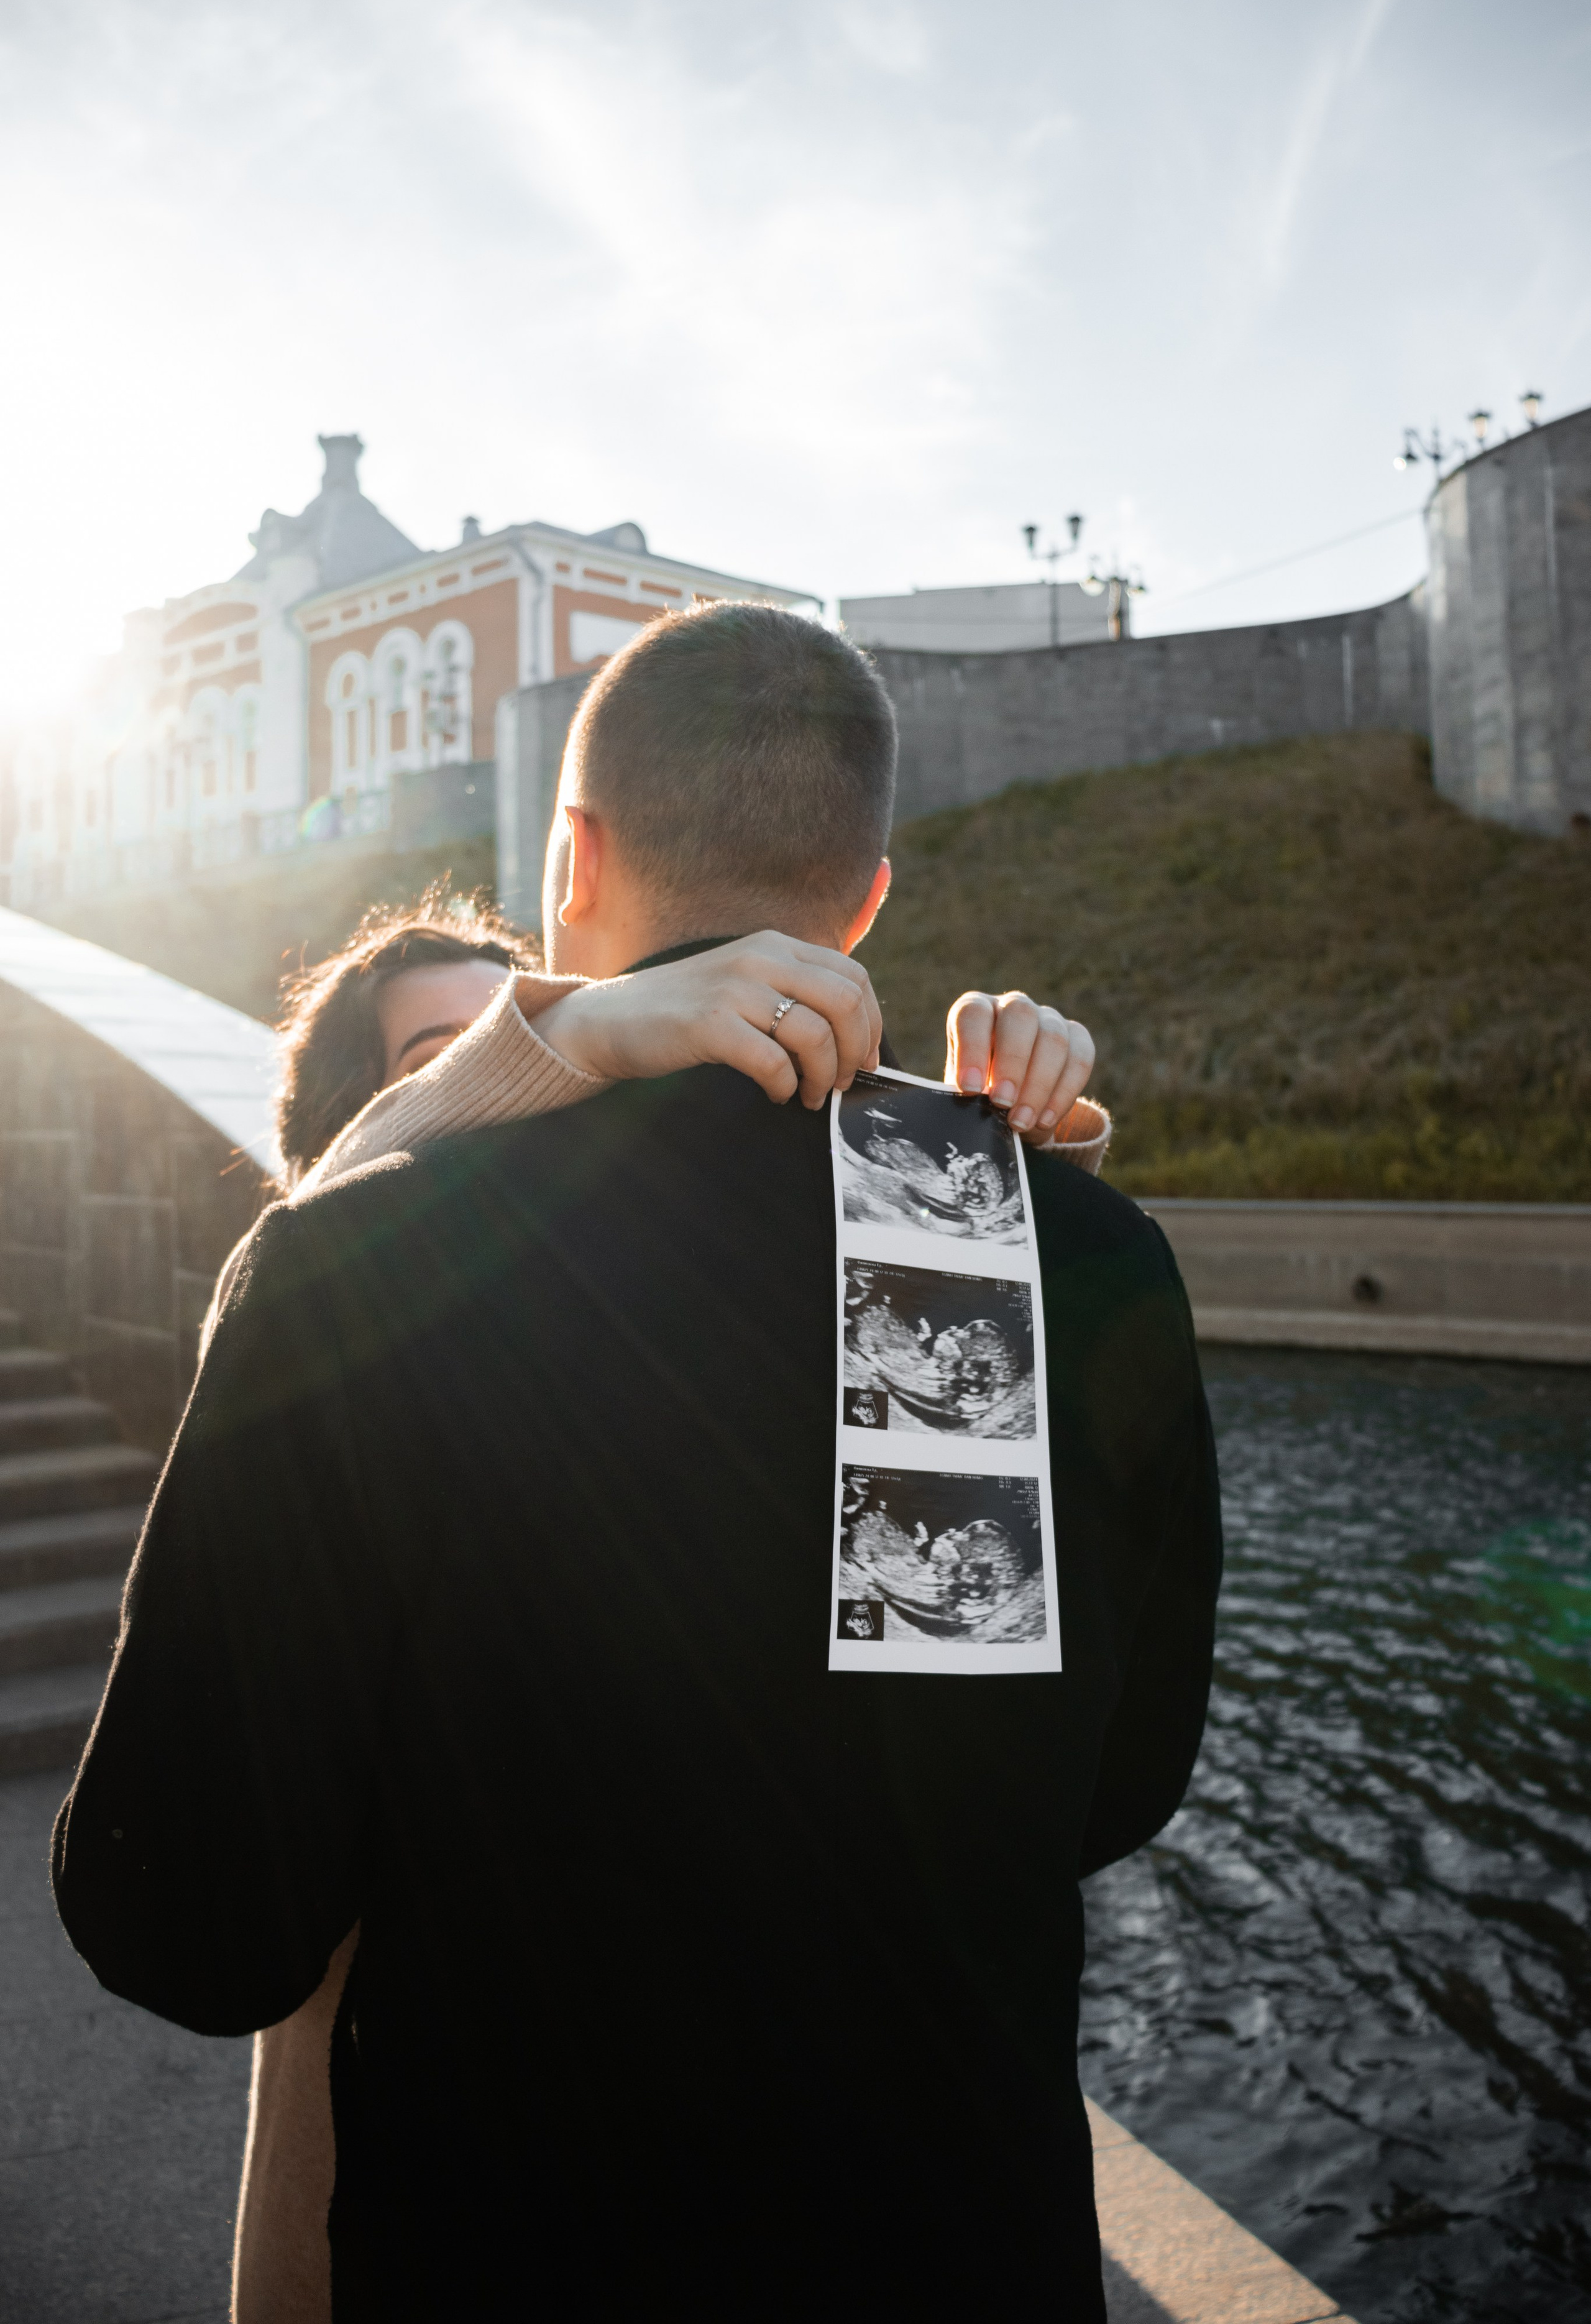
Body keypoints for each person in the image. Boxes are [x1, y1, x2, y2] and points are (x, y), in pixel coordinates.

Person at [53, 602, 1220, 2322]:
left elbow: (187, 1918)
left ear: (569, 857)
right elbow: (1113, 1787)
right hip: (970, 2254)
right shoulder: (1067, 1247)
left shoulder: (366, 1263)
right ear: (872, 892)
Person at [228, 899, 1108, 2322]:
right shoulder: (322, 1319)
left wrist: (1008, 1159)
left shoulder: (610, 1323)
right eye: (455, 1058)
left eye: (543, 1040)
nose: (523, 1079)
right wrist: (554, 1034)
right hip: (408, 2077)